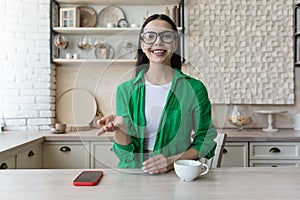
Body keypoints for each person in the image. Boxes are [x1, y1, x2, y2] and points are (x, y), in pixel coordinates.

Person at [96, 14, 217, 174]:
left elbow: (206, 139)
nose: (158, 42)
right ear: (142, 44)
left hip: (175, 174)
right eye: (150, 36)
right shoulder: (125, 90)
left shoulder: (194, 88)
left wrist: (172, 161)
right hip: (132, 173)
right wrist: (119, 128)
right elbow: (125, 155)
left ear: (175, 44)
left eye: (166, 36)